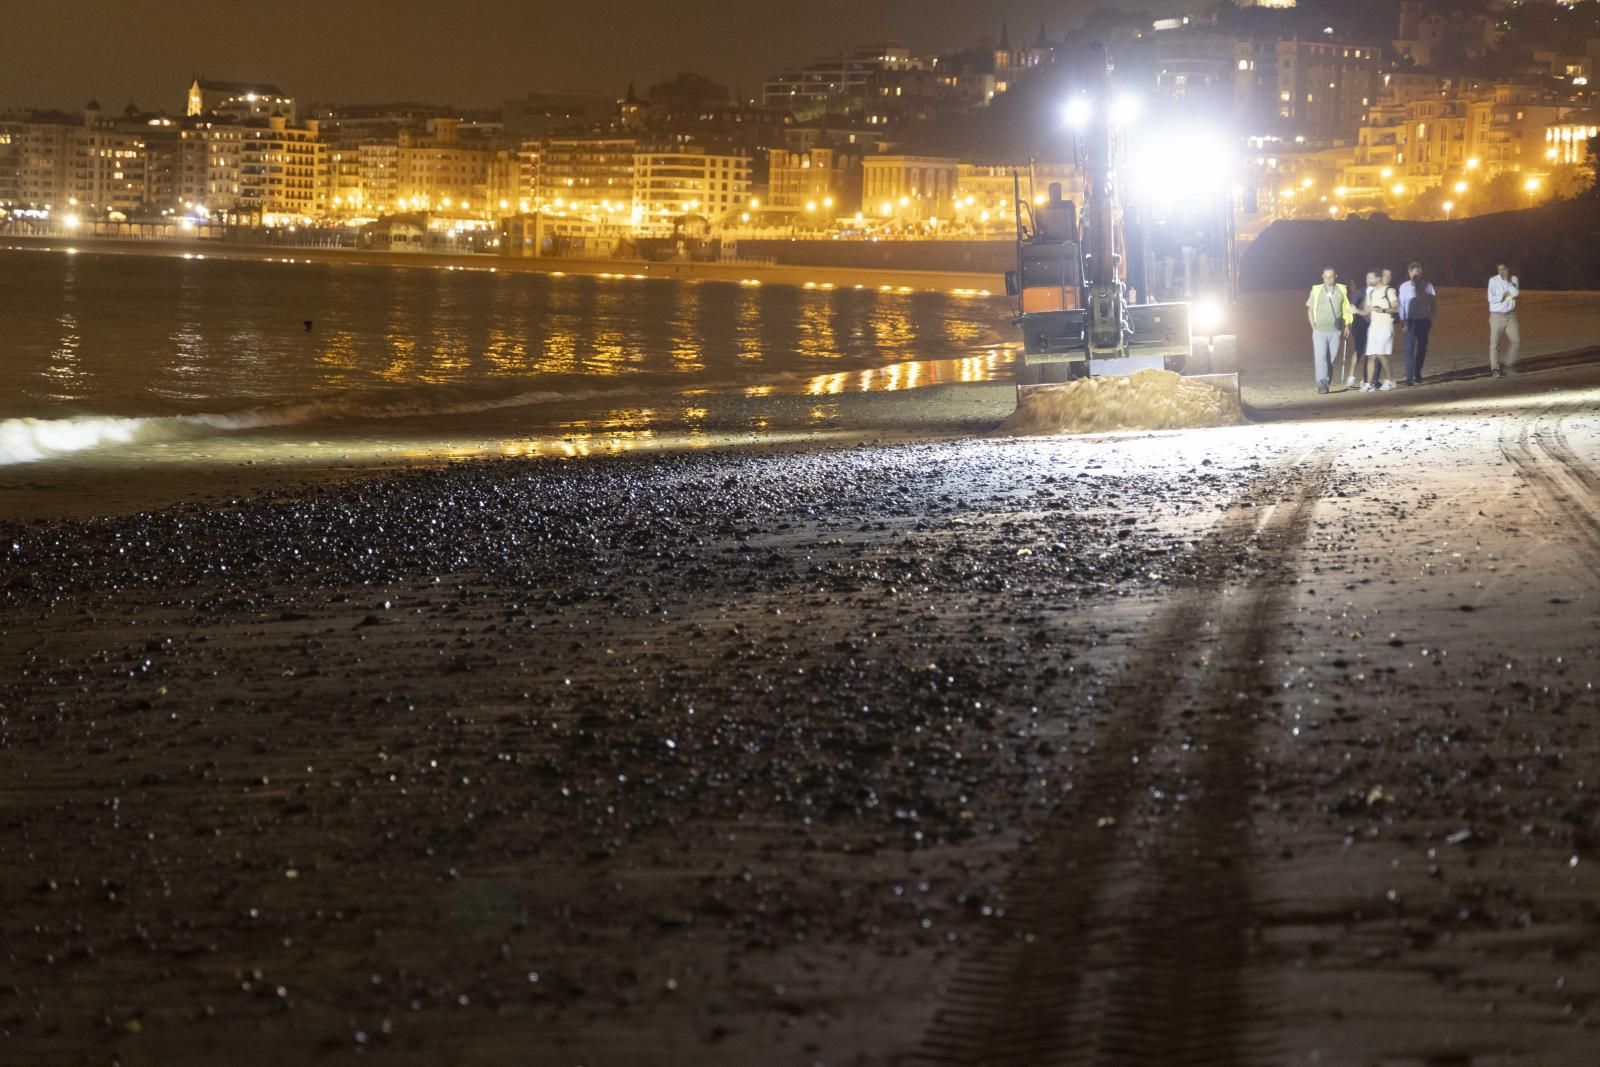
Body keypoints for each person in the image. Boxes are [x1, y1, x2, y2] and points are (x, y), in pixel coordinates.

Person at [1305, 267, 1353, 394]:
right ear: (1322, 277)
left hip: (1335, 331)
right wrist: (1313, 327)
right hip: (1319, 331)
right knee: (1321, 358)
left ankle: (1326, 381)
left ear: (1335, 276)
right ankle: (1322, 383)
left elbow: (1346, 309)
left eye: (1330, 276)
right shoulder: (1316, 290)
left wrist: (1347, 325)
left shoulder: (1342, 290)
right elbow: (1309, 310)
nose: (1328, 279)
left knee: (1331, 359)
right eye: (1325, 277)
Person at [1398, 262, 1437, 385]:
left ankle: (1417, 372)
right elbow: (1401, 305)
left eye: (1419, 273)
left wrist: (1431, 318)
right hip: (1410, 321)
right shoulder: (1404, 287)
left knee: (1422, 348)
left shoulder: (1428, 286)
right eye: (1415, 272)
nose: (1417, 275)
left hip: (1423, 321)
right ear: (1409, 273)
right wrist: (1402, 321)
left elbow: (1433, 303)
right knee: (1409, 349)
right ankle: (1409, 377)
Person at [1363, 268, 1399, 392]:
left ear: (1378, 278)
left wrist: (1383, 310)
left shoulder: (1389, 290)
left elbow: (1396, 308)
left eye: (1371, 277)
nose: (1368, 280)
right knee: (1371, 355)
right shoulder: (1371, 293)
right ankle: (1369, 383)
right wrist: (1356, 311)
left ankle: (1390, 380)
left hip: (1385, 326)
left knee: (1381, 354)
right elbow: (1367, 311)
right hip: (1373, 327)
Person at [1488, 263, 1520, 378]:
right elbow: (1491, 299)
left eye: (1503, 269)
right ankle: (1495, 369)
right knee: (1494, 343)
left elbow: (1516, 293)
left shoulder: (1514, 279)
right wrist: (1503, 296)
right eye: (1499, 269)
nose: (1501, 272)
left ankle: (1508, 364)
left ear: (1508, 269)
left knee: (1516, 340)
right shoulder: (1493, 280)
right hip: (1497, 316)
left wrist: (1508, 282)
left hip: (1511, 315)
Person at [1346, 270, 1370, 390]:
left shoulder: (1360, 292)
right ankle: (1356, 377)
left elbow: (1352, 308)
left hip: (1363, 324)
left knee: (1361, 351)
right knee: (1362, 351)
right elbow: (1352, 309)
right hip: (1361, 325)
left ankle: (1357, 377)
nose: (1350, 287)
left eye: (1352, 284)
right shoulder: (1360, 292)